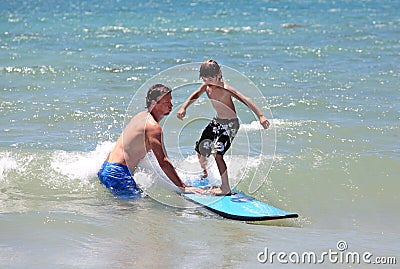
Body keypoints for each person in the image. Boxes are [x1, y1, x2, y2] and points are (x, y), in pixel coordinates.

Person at [177, 60, 270, 195]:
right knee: (201, 149)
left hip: (231, 124)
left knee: (217, 154)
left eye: (210, 78)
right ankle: (205, 173)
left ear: (219, 74)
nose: (208, 81)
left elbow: (245, 99)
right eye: (204, 78)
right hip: (217, 122)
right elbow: (195, 95)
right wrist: (183, 107)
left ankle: (225, 188)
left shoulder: (226, 89)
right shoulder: (206, 87)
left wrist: (260, 116)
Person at [98, 83, 203, 196]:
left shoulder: (140, 116)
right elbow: (163, 162)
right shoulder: (153, 128)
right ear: (154, 103)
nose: (171, 105)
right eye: (167, 102)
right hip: (118, 173)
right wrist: (183, 187)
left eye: (170, 101)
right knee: (135, 209)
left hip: (106, 168)